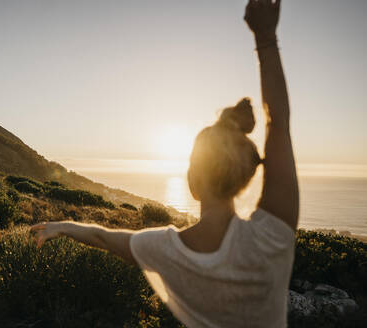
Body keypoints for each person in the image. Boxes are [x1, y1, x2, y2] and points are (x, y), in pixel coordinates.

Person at [29, 0, 299, 326]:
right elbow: (278, 123)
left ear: (192, 181)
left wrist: (62, 226)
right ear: (245, 176)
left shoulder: (165, 250)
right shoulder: (271, 237)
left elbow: (102, 237)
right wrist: (266, 38)